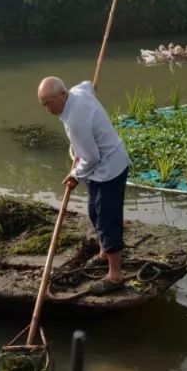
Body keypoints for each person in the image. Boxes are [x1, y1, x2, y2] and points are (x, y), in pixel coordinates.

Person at [37, 76, 130, 292]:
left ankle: (115, 275)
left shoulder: (75, 120)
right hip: (99, 170)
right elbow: (88, 84)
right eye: (43, 104)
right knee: (94, 212)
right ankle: (103, 252)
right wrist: (92, 87)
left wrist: (75, 176)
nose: (47, 108)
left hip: (109, 168)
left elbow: (91, 158)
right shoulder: (79, 92)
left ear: (62, 95)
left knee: (107, 220)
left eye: (49, 102)